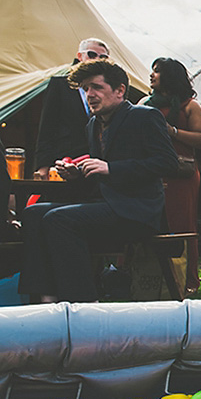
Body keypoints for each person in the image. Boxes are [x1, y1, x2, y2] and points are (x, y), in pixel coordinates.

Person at [18, 59, 178, 302]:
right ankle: (44, 298)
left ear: (120, 90)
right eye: (85, 89)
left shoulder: (145, 116)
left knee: (58, 219)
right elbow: (99, 179)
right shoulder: (93, 124)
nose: (89, 94)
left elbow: (168, 163)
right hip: (104, 205)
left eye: (96, 87)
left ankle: (84, 302)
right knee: (32, 213)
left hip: (136, 210)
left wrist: (111, 168)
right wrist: (77, 175)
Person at [140, 58, 201, 297]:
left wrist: (173, 132)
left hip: (181, 174)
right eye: (152, 70)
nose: (152, 75)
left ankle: (186, 279)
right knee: (148, 222)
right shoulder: (144, 103)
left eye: (158, 72)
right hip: (150, 171)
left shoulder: (189, 106)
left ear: (170, 76)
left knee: (181, 223)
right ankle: (149, 276)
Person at [34, 38, 110, 179]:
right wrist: (43, 165)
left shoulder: (110, 89)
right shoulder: (60, 84)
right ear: (79, 56)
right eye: (92, 54)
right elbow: (47, 126)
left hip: (95, 162)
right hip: (64, 159)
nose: (97, 59)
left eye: (103, 57)